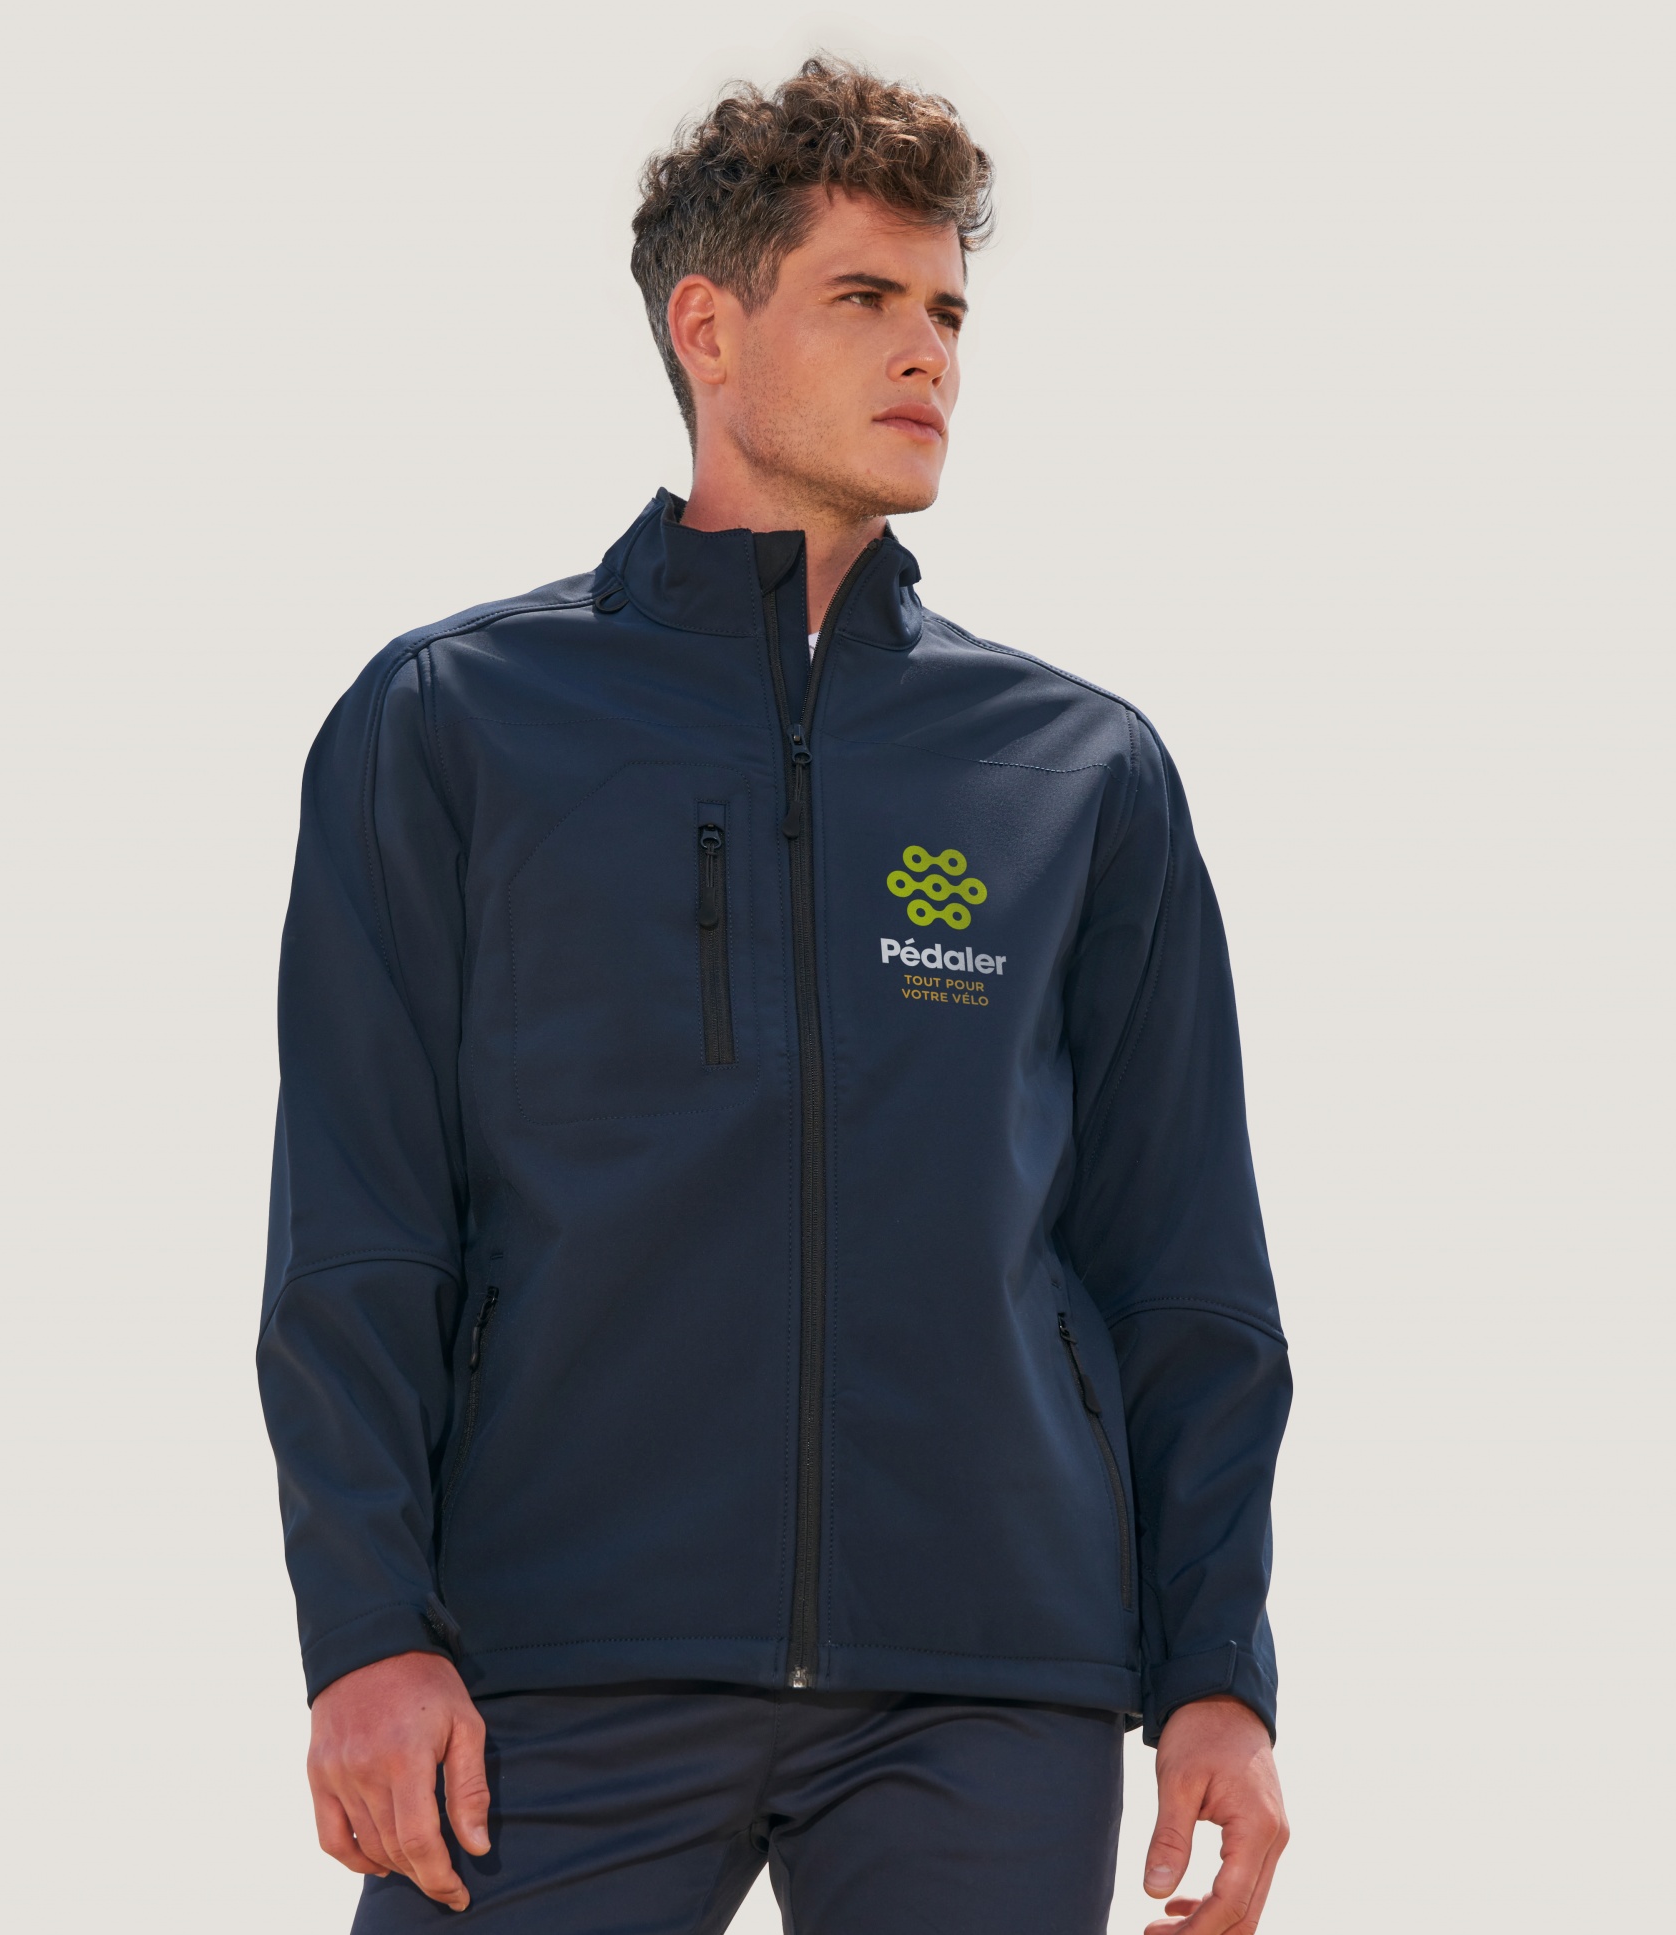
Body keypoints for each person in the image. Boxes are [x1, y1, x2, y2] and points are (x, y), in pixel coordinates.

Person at [259, 56, 1290, 1935]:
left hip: (988, 1676)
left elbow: (1181, 1259)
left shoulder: (1074, 770)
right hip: (555, 1654)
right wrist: (365, 1632)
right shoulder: (455, 725)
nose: (929, 355)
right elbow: (361, 1226)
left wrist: (1216, 1669)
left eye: (949, 311)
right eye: (867, 297)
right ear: (709, 329)